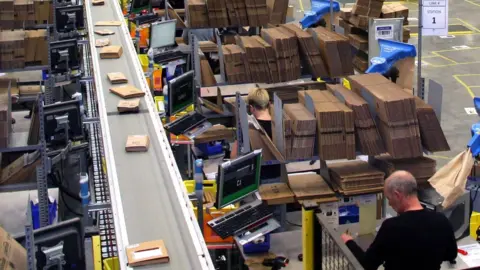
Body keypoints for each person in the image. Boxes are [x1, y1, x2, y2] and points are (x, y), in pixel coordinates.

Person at [341, 170, 457, 270]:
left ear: (397, 195)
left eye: (388, 198)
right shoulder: (442, 221)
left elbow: (368, 265)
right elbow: (451, 254)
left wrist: (349, 242)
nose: (390, 204)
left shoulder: (391, 227)